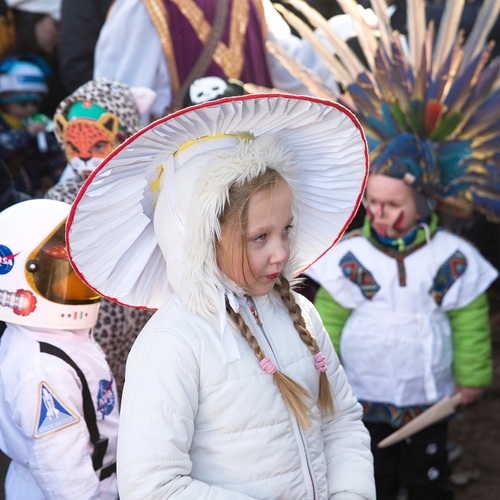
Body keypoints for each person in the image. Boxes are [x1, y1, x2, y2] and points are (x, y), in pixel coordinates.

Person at [66, 94, 376, 499]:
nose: (281, 252)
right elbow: (152, 485)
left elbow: (341, 422)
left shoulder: (299, 312)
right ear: (201, 242)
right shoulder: (173, 343)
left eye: (286, 229)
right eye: (259, 237)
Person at [306, 132, 498, 499]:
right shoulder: (352, 257)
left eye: (393, 204)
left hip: (427, 395)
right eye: (372, 202)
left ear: (424, 202)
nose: (378, 213)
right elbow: (327, 318)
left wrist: (472, 375)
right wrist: (320, 375)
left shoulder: (450, 257)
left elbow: (469, 319)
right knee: (375, 476)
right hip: (363, 390)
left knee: (426, 477)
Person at [0, 198, 119, 499]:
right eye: (65, 273)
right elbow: (64, 474)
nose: (79, 280)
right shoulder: (41, 366)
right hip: (84, 487)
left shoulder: (56, 335)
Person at [45, 77, 156, 396]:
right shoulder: (60, 199)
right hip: (87, 322)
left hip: (145, 314)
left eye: (97, 145)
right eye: (73, 146)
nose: (83, 158)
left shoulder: (148, 191)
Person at [92, 0, 379, 122]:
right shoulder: (145, 7)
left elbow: (294, 69)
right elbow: (119, 105)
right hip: (182, 171)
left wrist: (342, 31)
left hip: (253, 171)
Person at [0, 54, 66, 196]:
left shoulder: (41, 125)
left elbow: (55, 157)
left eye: (34, 104)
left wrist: (55, 178)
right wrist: (26, 135)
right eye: (22, 104)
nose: (30, 109)